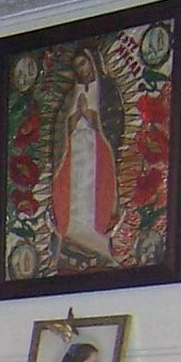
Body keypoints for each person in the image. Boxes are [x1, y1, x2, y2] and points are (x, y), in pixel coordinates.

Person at [51, 59, 117, 264]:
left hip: (96, 148)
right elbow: (62, 125)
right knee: (75, 189)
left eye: (84, 63)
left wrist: (90, 116)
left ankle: (94, 234)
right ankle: (73, 232)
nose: (81, 69)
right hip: (75, 150)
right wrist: (75, 117)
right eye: (77, 66)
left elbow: (112, 122)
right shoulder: (71, 95)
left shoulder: (106, 92)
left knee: (94, 189)